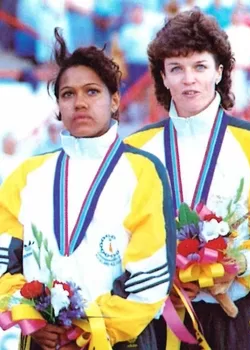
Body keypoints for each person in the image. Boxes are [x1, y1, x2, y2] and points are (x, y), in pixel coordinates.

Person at [124, 9, 250, 350]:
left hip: (237, 315)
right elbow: (123, 233)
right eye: (176, 68)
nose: (188, 79)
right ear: (163, 76)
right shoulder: (136, 147)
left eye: (200, 67)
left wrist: (238, 265)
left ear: (219, 72)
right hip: (160, 315)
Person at [0, 28, 175, 350]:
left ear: (115, 101)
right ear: (58, 106)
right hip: (42, 340)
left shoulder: (143, 171)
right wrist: (31, 316)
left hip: (120, 341)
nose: (79, 102)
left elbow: (151, 276)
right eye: (68, 94)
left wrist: (88, 328)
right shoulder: (27, 175)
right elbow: (4, 265)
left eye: (92, 92)